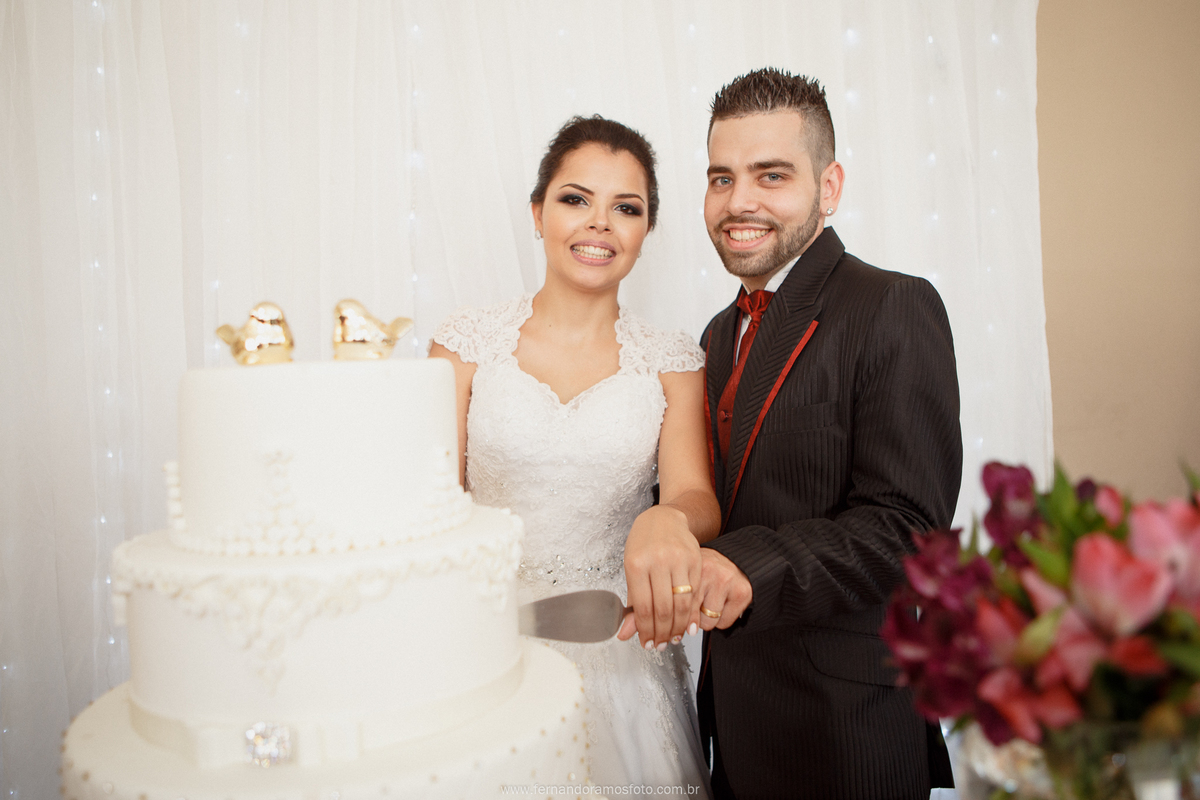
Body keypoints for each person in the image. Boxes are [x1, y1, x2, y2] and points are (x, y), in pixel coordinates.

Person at [691, 68, 963, 799]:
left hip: (845, 734)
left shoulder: (892, 304)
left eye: (771, 175)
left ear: (829, 186)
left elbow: (907, 528)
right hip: (735, 723)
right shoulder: (715, 336)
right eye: (721, 178)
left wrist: (745, 568)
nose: (738, 201)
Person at [428, 115, 718, 795]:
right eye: (575, 199)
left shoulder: (673, 360)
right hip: (487, 638)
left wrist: (668, 519)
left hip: (618, 641)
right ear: (538, 213)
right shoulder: (464, 345)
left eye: (626, 208)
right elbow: (430, 499)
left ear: (647, 230)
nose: (599, 224)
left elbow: (697, 498)